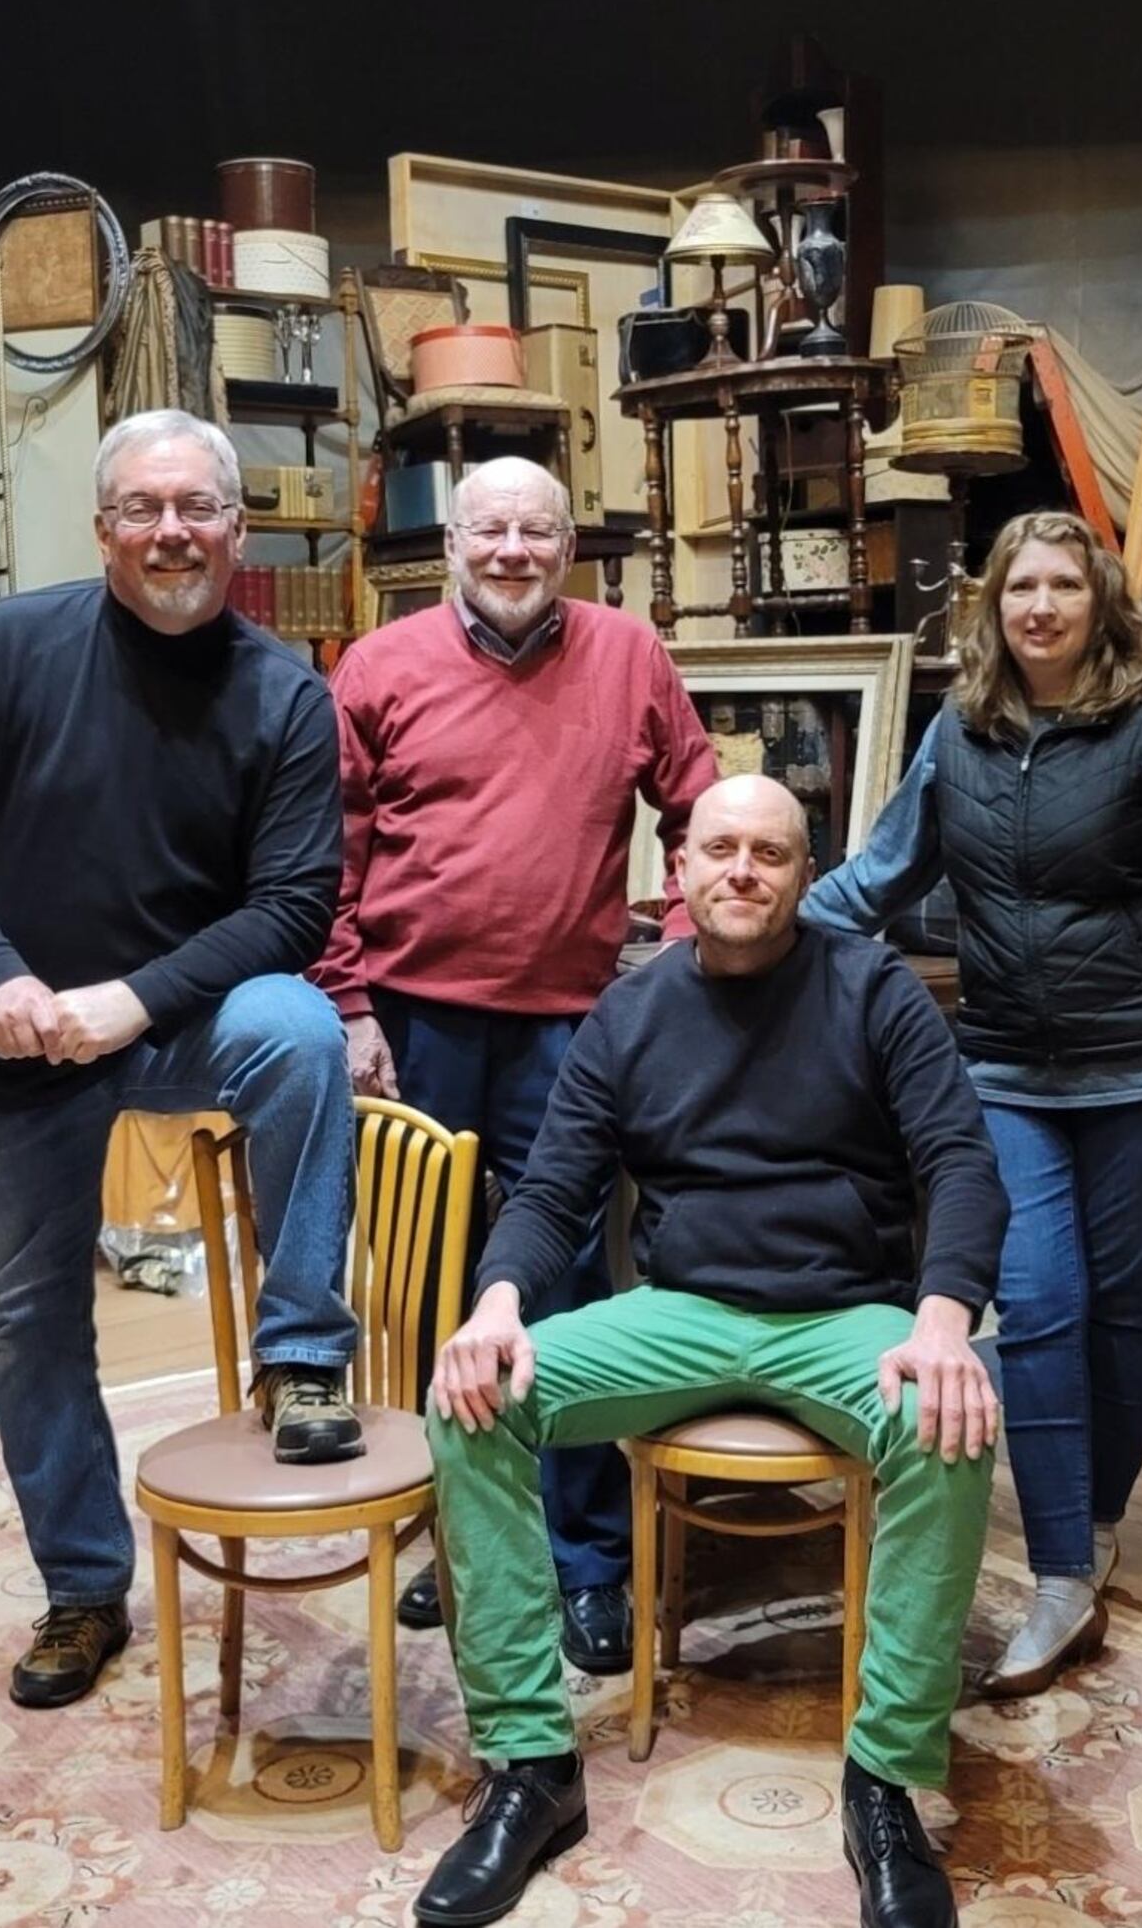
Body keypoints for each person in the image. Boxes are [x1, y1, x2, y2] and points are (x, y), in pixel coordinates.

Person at [413, 774, 1008, 1928]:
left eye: (770, 854)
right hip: (680, 1311)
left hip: (844, 1315)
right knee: (474, 1396)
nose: (743, 870)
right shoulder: (629, 1014)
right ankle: (531, 1766)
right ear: (678, 865)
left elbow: (960, 1162)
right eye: (720, 848)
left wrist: (944, 1320)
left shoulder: (872, 987)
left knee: (950, 1423)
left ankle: (883, 1778)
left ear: (803, 872)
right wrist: (495, 1305)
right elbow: (553, 1188)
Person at [0, 408, 360, 1711]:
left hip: (172, 1021)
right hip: (8, 1035)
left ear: (236, 529)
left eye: (196, 507)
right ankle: (85, 1589)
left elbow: (293, 907)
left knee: (301, 1032)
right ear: (102, 530)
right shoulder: (2, 650)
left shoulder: (284, 694)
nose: (170, 532)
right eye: (143, 509)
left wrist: (131, 1002)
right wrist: (0, 980)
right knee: (31, 1326)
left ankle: (307, 1355)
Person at [804, 510, 1142, 1697]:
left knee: (1121, 1311)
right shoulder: (958, 731)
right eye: (1022, 587)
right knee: (1042, 1298)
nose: (1042, 607)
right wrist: (757, 927)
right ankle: (1062, 1572)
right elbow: (886, 867)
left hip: (1139, 1069)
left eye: (1065, 585)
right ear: (993, 608)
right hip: (1006, 1067)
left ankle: (1095, 1522)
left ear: (1097, 604)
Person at [316, 455, 718, 1673]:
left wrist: (689, 950)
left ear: (568, 546)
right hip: (414, 1019)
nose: (511, 553)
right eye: (488, 531)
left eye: (535, 532)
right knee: (436, 1293)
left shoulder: (629, 654)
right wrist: (345, 1003)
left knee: (566, 1295)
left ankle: (590, 1559)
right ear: (450, 543)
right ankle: (475, 1538)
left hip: (571, 1027)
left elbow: (695, 800)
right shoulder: (377, 667)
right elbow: (321, 847)